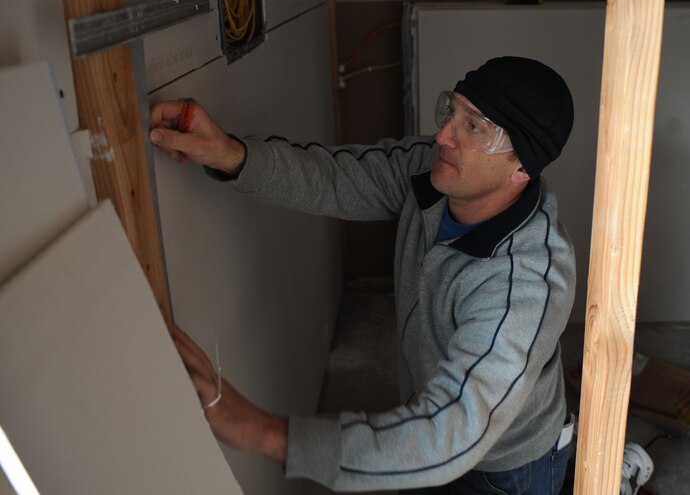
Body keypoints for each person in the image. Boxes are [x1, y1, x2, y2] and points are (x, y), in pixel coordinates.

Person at [149, 56, 577, 495]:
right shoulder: (429, 173)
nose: (443, 135)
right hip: (433, 424)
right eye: (451, 111)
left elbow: (452, 428)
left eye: (474, 127)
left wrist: (266, 433)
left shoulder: (524, 279)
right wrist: (228, 153)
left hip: (501, 471)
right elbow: (334, 178)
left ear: (522, 166)